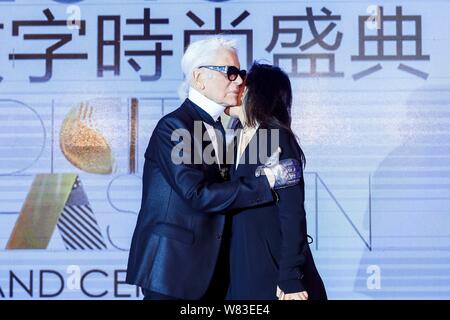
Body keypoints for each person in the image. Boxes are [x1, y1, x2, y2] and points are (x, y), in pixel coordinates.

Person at [126, 38, 303, 300]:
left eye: (241, 74)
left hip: (214, 274)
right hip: (173, 271)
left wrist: (289, 274)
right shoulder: (175, 127)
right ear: (199, 78)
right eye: (230, 73)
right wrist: (267, 181)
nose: (240, 81)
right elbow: (197, 194)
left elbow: (290, 212)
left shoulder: (228, 130)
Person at [226, 63, 327, 300]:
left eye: (244, 84)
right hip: (241, 263)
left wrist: (290, 276)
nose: (236, 88)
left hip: (271, 270)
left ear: (259, 94)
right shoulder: (236, 137)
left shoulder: (274, 137)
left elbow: (292, 214)